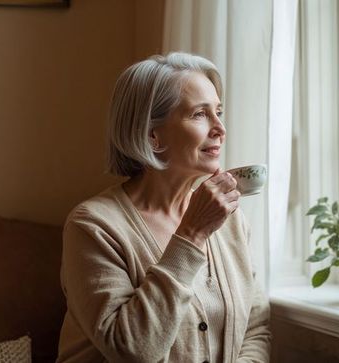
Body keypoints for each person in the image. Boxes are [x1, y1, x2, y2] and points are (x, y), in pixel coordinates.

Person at [56, 52, 271, 363]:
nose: (220, 129)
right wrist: (192, 234)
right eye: (199, 114)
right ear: (151, 135)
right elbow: (131, 350)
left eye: (218, 112)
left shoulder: (230, 218)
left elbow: (256, 327)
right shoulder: (92, 226)